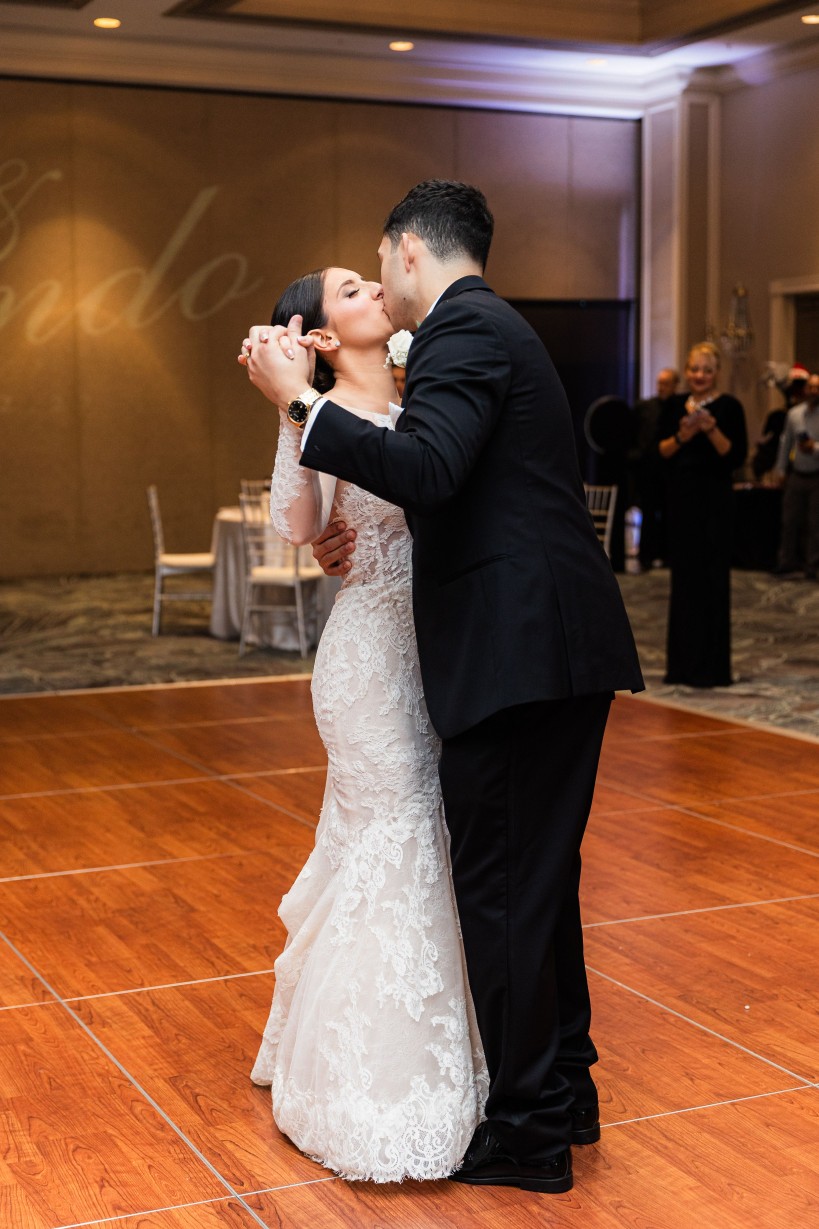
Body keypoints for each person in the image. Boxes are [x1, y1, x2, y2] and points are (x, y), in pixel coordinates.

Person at [243, 180, 644, 1195]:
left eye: (374, 266)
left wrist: (297, 400)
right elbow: (440, 486)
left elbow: (427, 468)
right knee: (536, 888)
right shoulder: (478, 331)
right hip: (516, 647)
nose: (375, 283)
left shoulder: (463, 332)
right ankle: (564, 1093)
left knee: (506, 892)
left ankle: (526, 1132)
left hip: (515, 655)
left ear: (406, 251)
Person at [244, 267, 488, 1183]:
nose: (375, 287)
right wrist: (290, 414)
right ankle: (372, 1077)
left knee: (419, 835)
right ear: (313, 332)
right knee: (397, 833)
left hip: (448, 650)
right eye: (351, 286)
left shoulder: (428, 371)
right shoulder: (319, 409)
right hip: (370, 662)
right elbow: (301, 526)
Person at [657, 341, 747, 687]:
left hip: (716, 504)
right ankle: (680, 665)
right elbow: (661, 452)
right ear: (687, 370)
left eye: (707, 370)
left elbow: (735, 457)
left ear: (716, 373)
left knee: (713, 581)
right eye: (695, 369)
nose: (700, 376)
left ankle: (712, 668)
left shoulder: (730, 407)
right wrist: (683, 434)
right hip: (682, 502)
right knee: (684, 582)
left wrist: (710, 429)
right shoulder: (674, 406)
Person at [629, 367, 679, 569]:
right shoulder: (645, 407)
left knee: (670, 512)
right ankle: (646, 555)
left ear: (675, 385)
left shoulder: (680, 407)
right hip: (648, 469)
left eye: (666, 383)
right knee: (648, 512)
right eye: (659, 383)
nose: (661, 387)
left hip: (671, 470)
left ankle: (668, 555)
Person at [771, 371, 819, 579]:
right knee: (789, 520)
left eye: (818, 388)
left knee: (815, 524)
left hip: (817, 475)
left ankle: (812, 566)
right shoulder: (794, 414)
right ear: (805, 389)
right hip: (796, 474)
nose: (813, 391)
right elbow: (785, 443)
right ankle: (786, 562)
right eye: (811, 387)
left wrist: (814, 448)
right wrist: (780, 469)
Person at [751, 363, 809, 482]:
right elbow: (778, 445)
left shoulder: (812, 417)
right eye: (793, 389)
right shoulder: (778, 417)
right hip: (785, 475)